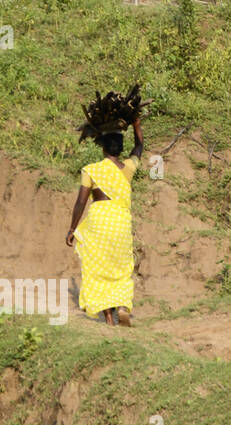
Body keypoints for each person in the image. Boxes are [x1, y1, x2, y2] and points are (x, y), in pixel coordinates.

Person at [66, 116, 144, 327]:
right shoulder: (128, 168)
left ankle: (109, 317)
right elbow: (139, 147)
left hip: (99, 222)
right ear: (120, 149)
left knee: (97, 268)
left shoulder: (91, 170)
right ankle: (122, 307)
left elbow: (81, 202)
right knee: (121, 267)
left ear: (103, 149)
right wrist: (136, 124)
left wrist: (72, 228)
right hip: (120, 223)